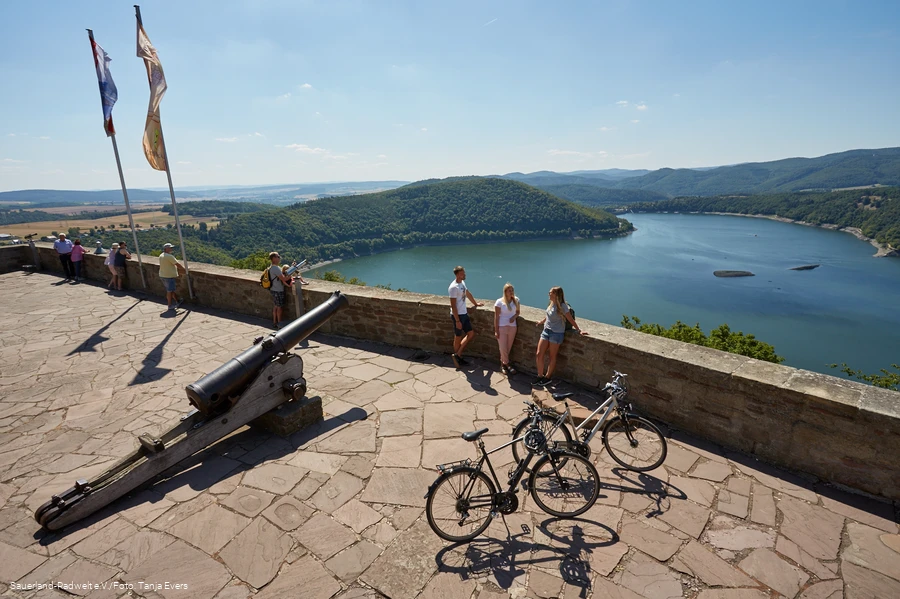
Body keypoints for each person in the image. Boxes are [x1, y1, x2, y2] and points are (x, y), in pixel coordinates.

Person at [533, 286, 587, 386]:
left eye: (550, 293)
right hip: (546, 331)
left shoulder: (563, 306)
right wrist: (542, 321)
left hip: (556, 333)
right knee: (539, 353)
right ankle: (539, 376)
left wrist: (579, 330)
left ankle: (547, 377)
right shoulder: (551, 303)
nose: (548, 294)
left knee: (552, 356)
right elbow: (548, 315)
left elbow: (570, 319)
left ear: (556, 295)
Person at [449, 265, 483, 369]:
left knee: (470, 334)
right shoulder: (453, 287)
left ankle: (457, 355)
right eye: (463, 273)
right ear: (458, 274)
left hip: (464, 313)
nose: (465, 274)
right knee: (458, 336)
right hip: (457, 316)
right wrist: (457, 320)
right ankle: (457, 356)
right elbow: (453, 305)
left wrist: (476, 304)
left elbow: (467, 293)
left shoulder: (462, 283)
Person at [494, 283, 521, 375]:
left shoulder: (516, 300)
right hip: (502, 326)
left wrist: (514, 317)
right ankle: (508, 365)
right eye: (509, 290)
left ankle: (502, 365)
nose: (511, 292)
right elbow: (496, 317)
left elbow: (518, 312)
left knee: (508, 348)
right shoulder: (499, 302)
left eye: (512, 290)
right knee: (503, 348)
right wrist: (496, 330)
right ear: (505, 292)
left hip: (512, 327)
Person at [159, 243, 186, 310]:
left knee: (171, 290)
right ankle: (169, 305)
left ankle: (177, 301)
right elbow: (177, 264)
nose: (171, 249)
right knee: (169, 291)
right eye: (170, 248)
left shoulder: (161, 255)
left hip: (163, 275)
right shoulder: (169, 256)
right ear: (166, 249)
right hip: (169, 276)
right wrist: (185, 270)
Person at [268, 252, 292, 328]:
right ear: (274, 258)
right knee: (279, 307)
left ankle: (275, 322)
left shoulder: (270, 267)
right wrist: (292, 273)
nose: (279, 258)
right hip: (278, 290)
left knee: (276, 306)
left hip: (273, 289)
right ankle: (280, 324)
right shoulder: (276, 268)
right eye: (278, 256)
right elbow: (284, 279)